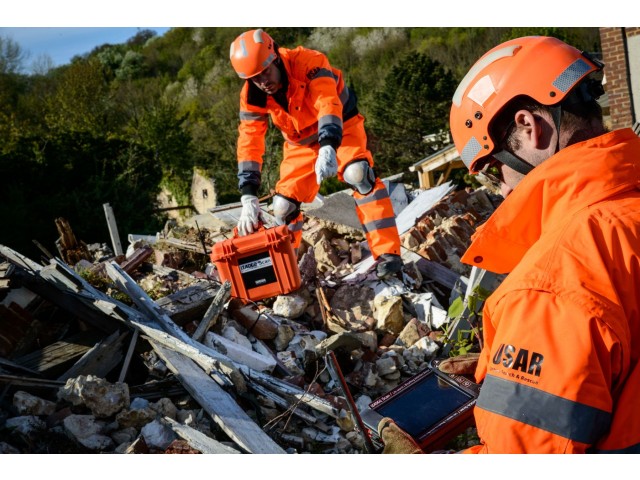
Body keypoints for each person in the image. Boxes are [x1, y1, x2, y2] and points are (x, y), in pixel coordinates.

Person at [378, 35, 640, 454]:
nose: (500, 189)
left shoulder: (552, 281)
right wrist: (524, 358)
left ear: (530, 127)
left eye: (492, 169)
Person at [229, 29, 403, 279]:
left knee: (358, 173)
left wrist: (329, 144)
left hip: (340, 126)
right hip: (300, 145)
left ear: (275, 57)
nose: (262, 82)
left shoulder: (308, 62)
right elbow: (249, 140)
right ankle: (285, 273)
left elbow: (327, 101)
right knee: (282, 207)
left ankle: (388, 255)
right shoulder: (252, 94)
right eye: (254, 78)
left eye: (265, 72)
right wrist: (248, 195)